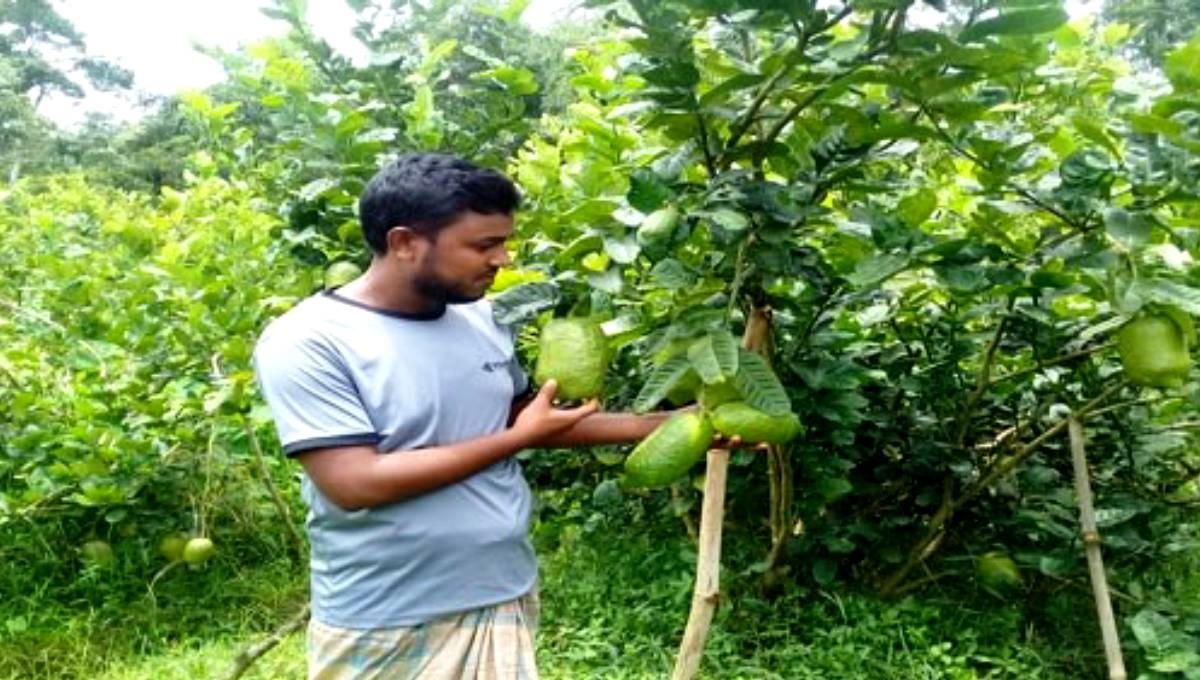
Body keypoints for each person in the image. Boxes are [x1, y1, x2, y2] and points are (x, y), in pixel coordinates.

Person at [252, 152, 676, 679]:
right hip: (388, 617)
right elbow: (355, 483)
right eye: (484, 245)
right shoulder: (310, 340)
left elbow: (527, 419)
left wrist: (669, 426)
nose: (502, 259)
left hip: (502, 592)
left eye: (503, 241)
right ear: (404, 243)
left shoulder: (482, 320)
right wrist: (516, 439)